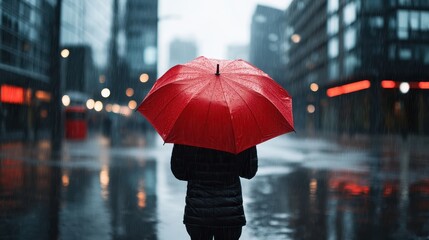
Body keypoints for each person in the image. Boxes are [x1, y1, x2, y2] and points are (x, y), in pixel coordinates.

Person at [171, 144, 258, 240]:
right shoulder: (240, 134)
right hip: (229, 213)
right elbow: (248, 172)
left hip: (198, 212)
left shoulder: (188, 133)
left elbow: (180, 173)